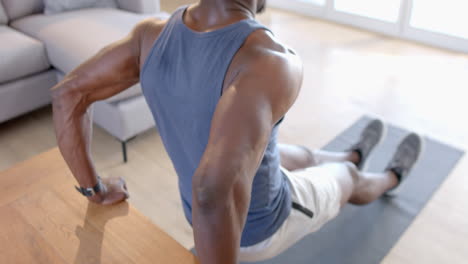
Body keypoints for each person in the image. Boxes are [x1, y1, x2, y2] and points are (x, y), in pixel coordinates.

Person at [50, 0, 423, 263]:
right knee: (349, 179)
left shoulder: (150, 35)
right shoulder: (272, 60)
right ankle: (387, 175)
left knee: (301, 155)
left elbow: (69, 95)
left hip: (198, 212)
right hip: (257, 228)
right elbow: (212, 191)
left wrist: (94, 190)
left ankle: (350, 153)